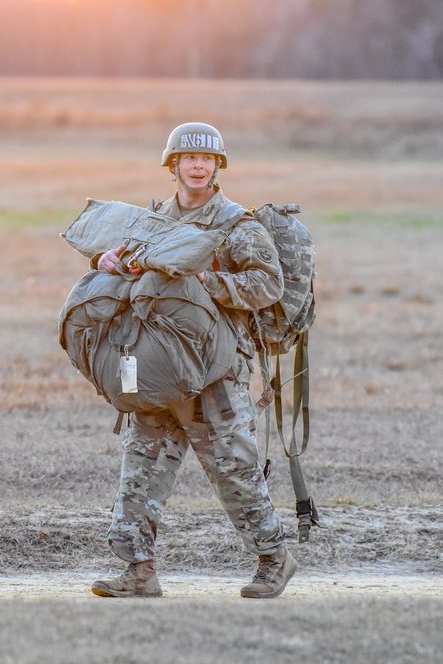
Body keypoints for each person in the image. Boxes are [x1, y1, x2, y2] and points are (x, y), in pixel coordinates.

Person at [89, 122, 296, 599]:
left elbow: (269, 285)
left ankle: (274, 558)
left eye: (206, 160)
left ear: (216, 166)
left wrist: (211, 283)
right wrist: (106, 261)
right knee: (141, 467)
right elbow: (129, 264)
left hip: (215, 373)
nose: (197, 167)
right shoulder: (153, 217)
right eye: (188, 159)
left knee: (234, 472)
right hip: (157, 365)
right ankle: (137, 570)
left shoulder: (236, 225)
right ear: (174, 166)